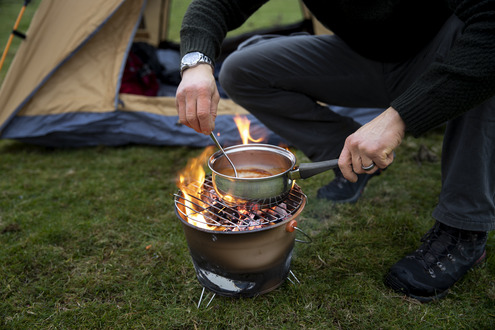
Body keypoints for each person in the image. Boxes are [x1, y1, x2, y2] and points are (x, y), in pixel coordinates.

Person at [175, 0, 494, 302]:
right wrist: (195, 64)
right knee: (242, 69)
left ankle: (464, 227)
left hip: (439, 54)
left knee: (479, 51)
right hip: (363, 58)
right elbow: (216, 4)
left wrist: (399, 118)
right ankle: (351, 158)